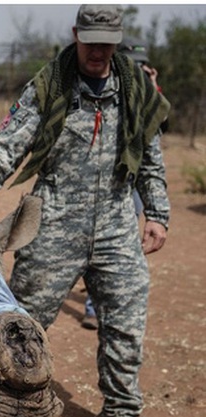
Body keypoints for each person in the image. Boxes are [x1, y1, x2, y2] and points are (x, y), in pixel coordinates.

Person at [0, 4, 170, 417]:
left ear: (117, 40)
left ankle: (121, 414)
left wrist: (157, 213)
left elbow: (150, 160)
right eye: (90, 41)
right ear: (76, 34)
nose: (98, 51)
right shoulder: (50, 87)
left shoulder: (136, 91)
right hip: (54, 223)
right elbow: (8, 146)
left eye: (106, 43)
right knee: (21, 325)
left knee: (126, 326)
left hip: (117, 225)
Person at [81, 34, 166, 330]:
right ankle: (93, 307)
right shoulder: (106, 90)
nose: (139, 70)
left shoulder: (146, 92)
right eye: (134, 64)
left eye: (144, 65)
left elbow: (163, 124)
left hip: (138, 181)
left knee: (124, 242)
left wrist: (152, 87)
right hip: (107, 184)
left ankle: (108, 306)